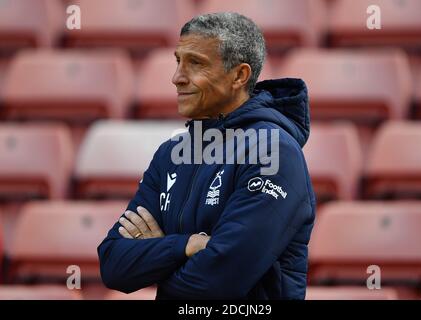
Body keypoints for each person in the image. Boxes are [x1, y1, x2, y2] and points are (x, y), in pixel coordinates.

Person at [97, 12, 316, 300]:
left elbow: (215, 284)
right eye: (178, 61)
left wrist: (157, 259)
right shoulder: (172, 154)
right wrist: (185, 246)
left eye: (196, 63)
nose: (177, 78)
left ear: (239, 75)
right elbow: (114, 264)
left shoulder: (273, 151)